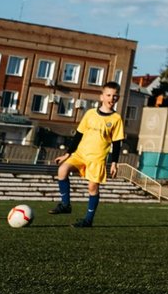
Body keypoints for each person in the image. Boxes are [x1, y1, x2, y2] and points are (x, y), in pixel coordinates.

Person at [51, 81, 126, 229]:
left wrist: (114, 163)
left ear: (118, 98)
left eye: (115, 96)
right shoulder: (90, 113)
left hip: (97, 159)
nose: (112, 98)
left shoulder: (116, 119)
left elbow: (117, 144)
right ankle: (65, 205)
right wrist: (67, 154)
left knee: (92, 188)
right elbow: (78, 135)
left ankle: (88, 220)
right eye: (108, 95)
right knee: (62, 170)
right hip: (80, 155)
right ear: (101, 97)